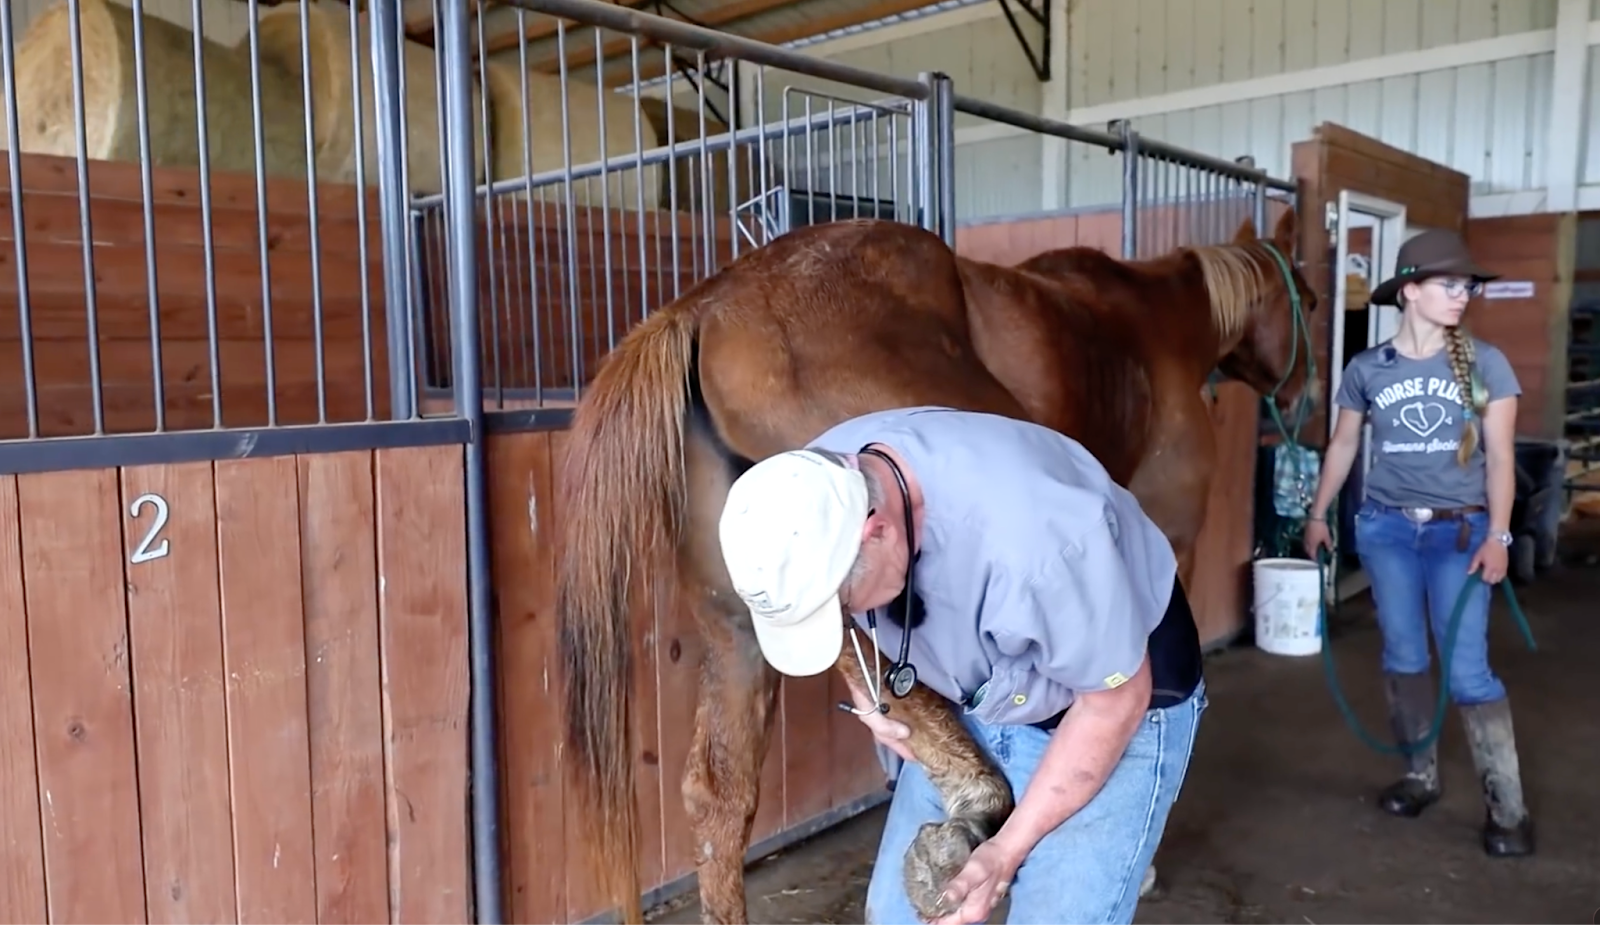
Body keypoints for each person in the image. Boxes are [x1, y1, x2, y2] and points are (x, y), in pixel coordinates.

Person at [716, 406, 1208, 925]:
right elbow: (841, 622)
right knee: (896, 915)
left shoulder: (1038, 542)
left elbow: (1114, 702)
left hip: (1109, 697)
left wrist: (1006, 852)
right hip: (982, 679)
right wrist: (869, 688)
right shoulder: (810, 486)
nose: (843, 618)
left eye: (839, 605)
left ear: (875, 531)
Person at [1301, 228, 1534, 857]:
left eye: (1467, 287)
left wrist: (1499, 534)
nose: (1462, 295)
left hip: (1460, 532)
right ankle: (1419, 775)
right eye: (1448, 285)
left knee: (1467, 670)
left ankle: (1507, 808)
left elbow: (1500, 460)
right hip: (1387, 529)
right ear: (1409, 292)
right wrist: (1319, 513)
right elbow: (1345, 445)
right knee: (1403, 656)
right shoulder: (1366, 369)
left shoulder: (1488, 364)